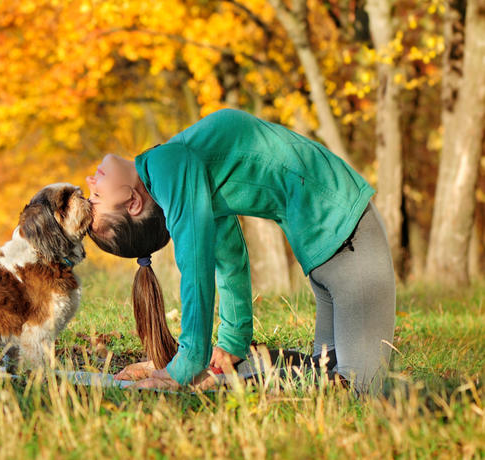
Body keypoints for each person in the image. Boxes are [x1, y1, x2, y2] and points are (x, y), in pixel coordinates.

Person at [85, 108, 395, 395]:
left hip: (345, 234)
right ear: (132, 204)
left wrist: (186, 363)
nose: (89, 182)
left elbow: (201, 264)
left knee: (352, 384)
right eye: (96, 196)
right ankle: (226, 381)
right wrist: (226, 345)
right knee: (347, 383)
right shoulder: (174, 170)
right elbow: (225, 260)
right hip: (335, 249)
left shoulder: (170, 165)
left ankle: (224, 383)